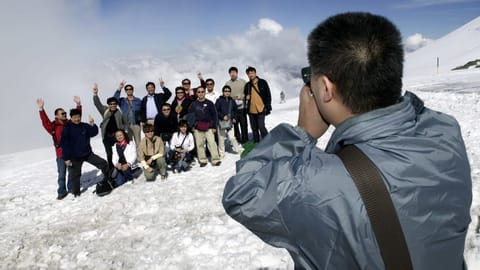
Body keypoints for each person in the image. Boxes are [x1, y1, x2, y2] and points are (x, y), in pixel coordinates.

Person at [222, 12, 472, 270]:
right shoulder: (445, 131)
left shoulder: (311, 183)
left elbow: (241, 193)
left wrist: (302, 133)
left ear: (326, 89)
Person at [37, 96, 82, 200]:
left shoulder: (70, 123)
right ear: (56, 116)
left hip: (71, 153)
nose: (65, 115)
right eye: (62, 113)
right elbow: (45, 122)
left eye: (65, 113)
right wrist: (41, 109)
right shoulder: (53, 126)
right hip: (60, 155)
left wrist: (79, 105)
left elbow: (77, 117)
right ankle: (61, 192)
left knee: (71, 172)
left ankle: (71, 189)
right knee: (61, 175)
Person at [60, 109, 109, 197]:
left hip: (88, 154)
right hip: (75, 157)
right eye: (74, 117)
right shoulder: (67, 129)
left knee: (103, 163)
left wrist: (92, 124)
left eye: (78, 117)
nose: (77, 119)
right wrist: (66, 158)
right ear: (71, 118)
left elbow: (94, 133)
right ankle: (76, 193)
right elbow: (64, 145)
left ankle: (108, 178)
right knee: (75, 176)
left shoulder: (84, 126)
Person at [93, 83, 128, 169]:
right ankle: (111, 168)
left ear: (116, 104)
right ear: (108, 105)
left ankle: (122, 165)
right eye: (111, 104)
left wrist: (125, 130)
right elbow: (97, 104)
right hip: (107, 136)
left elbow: (124, 123)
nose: (112, 105)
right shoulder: (105, 110)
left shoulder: (119, 112)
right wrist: (95, 94)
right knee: (109, 153)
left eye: (114, 104)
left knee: (119, 151)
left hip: (117, 136)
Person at [187, 86, 221, 167]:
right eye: (199, 92)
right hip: (198, 128)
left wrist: (214, 126)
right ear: (196, 93)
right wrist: (193, 125)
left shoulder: (210, 103)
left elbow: (214, 115)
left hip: (209, 127)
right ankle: (202, 160)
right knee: (199, 144)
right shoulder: (193, 104)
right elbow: (190, 116)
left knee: (212, 143)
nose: (201, 93)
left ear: (205, 93)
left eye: (202, 92)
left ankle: (215, 160)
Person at [244, 66, 271, 143]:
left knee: (261, 127)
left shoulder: (263, 82)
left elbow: (268, 95)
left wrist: (267, 106)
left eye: (252, 72)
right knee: (254, 128)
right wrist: (246, 97)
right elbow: (245, 97)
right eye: (249, 73)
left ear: (255, 73)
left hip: (261, 108)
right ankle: (256, 143)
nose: (251, 74)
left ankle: (267, 142)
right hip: (251, 110)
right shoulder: (247, 85)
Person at [215, 85, 241, 159]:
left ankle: (237, 150)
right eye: (225, 91)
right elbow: (216, 110)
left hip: (230, 122)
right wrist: (222, 116)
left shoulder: (232, 101)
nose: (227, 92)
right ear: (223, 92)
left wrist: (234, 118)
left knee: (232, 137)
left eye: (228, 91)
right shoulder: (219, 100)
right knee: (221, 138)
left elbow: (235, 111)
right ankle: (221, 153)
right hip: (221, 122)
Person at [113, 80, 142, 146]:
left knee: (138, 143)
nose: (129, 90)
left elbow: (143, 111)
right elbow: (114, 100)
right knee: (129, 143)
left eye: (130, 89)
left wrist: (142, 121)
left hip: (136, 124)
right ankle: (131, 156)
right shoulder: (122, 100)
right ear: (125, 91)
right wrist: (119, 89)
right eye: (127, 89)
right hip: (126, 125)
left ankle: (140, 156)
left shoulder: (138, 100)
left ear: (133, 90)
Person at [225, 66, 248, 143]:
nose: (233, 74)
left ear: (237, 73)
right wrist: (232, 98)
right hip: (233, 108)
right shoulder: (227, 83)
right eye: (231, 73)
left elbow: (247, 93)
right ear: (229, 74)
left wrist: (241, 97)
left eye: (234, 72)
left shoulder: (243, 81)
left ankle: (245, 139)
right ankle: (238, 139)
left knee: (243, 124)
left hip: (242, 107)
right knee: (235, 125)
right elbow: (226, 94)